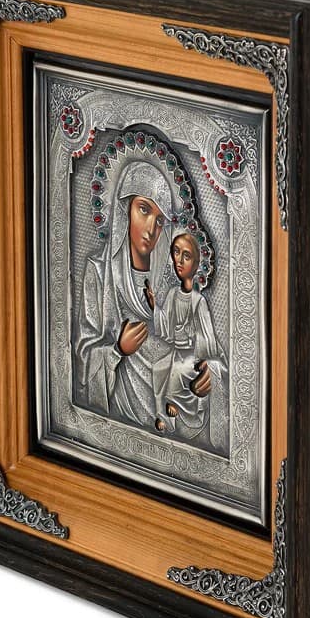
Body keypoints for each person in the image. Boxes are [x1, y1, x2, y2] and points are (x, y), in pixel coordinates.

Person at [75, 161, 177, 426]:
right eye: (144, 209)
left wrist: (203, 374)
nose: (151, 229)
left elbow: (188, 345)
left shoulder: (168, 282)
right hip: (122, 408)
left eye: (160, 220)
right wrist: (118, 349)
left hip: (168, 407)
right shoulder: (99, 273)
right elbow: (83, 357)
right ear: (125, 209)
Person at [147, 230, 226, 449]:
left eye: (186, 256)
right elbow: (166, 325)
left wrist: (206, 360)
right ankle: (163, 416)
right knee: (158, 369)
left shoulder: (198, 301)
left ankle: (177, 412)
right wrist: (155, 307)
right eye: (176, 253)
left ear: (197, 264)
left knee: (177, 373)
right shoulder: (173, 294)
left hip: (192, 357)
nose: (179, 261)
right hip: (176, 352)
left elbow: (207, 335)